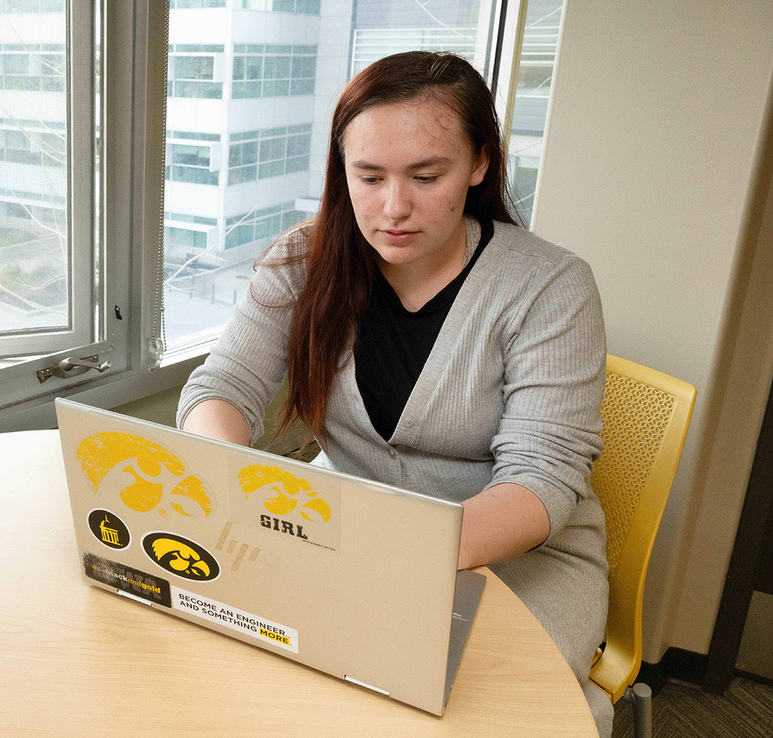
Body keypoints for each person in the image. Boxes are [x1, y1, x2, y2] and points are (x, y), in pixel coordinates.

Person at [176, 51, 612, 736]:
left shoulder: (549, 286)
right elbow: (223, 387)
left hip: (517, 562)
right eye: (369, 176)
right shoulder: (302, 260)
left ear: (479, 164)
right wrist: (224, 477)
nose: (393, 208)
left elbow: (543, 479)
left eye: (426, 176)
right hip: (343, 534)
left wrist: (387, 555)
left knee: (456, 711)